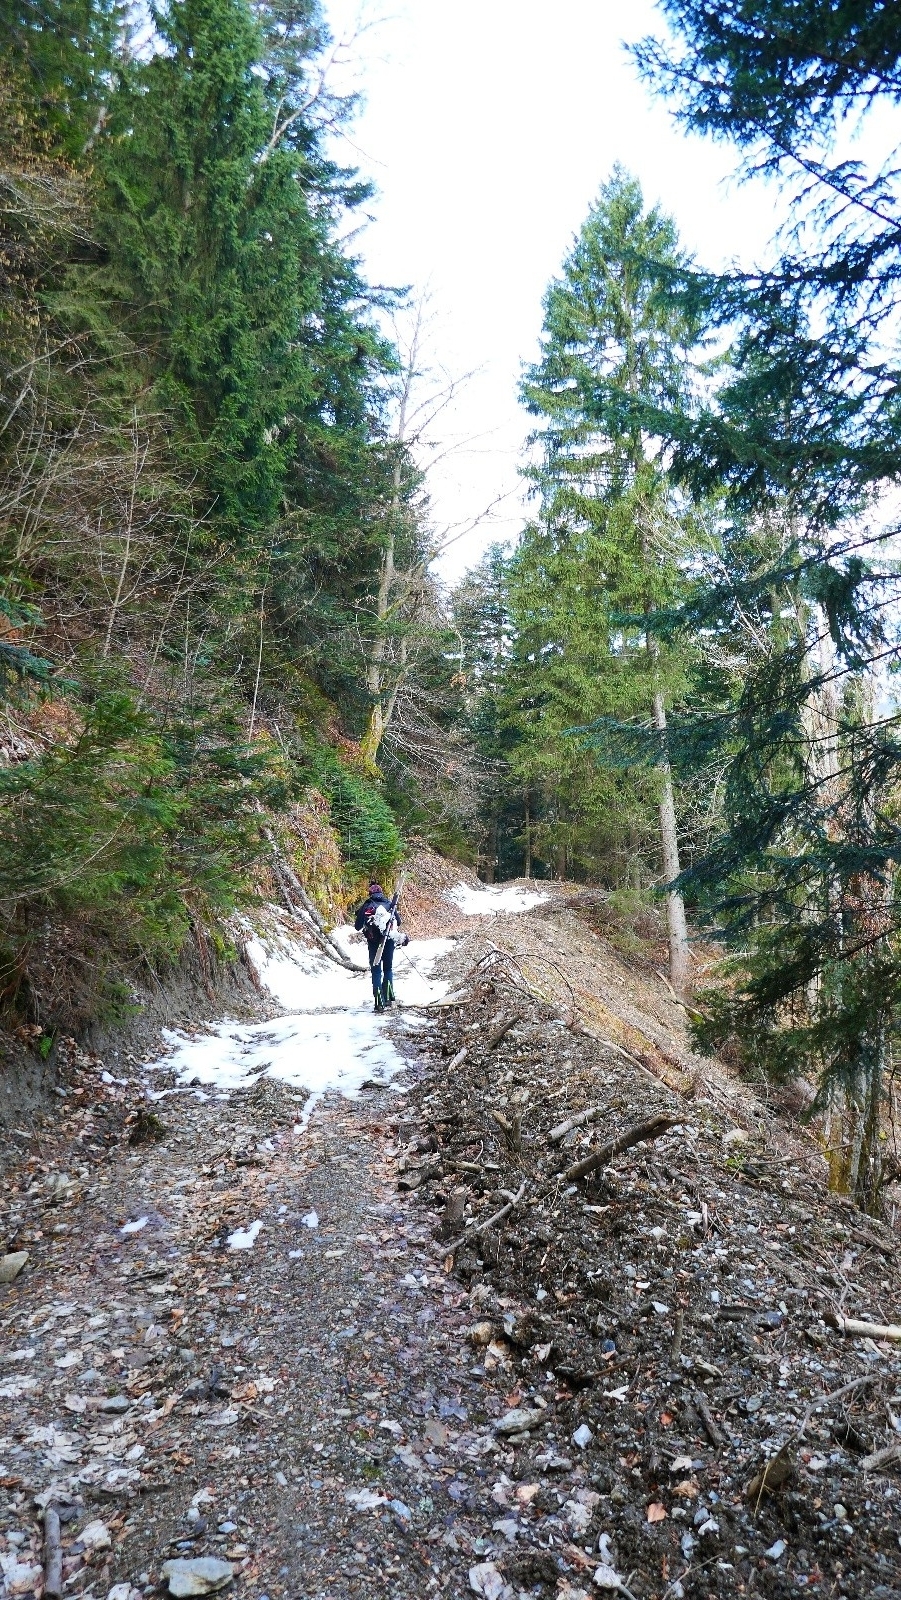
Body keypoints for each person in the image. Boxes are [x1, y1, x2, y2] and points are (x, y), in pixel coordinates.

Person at [354, 880, 408, 1011]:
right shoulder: (390, 904)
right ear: (381, 893)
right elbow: (399, 922)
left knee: (376, 970)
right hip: (389, 940)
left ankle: (379, 1002)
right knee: (388, 968)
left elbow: (357, 927)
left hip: (374, 942)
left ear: (370, 893)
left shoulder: (367, 905)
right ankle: (389, 997)